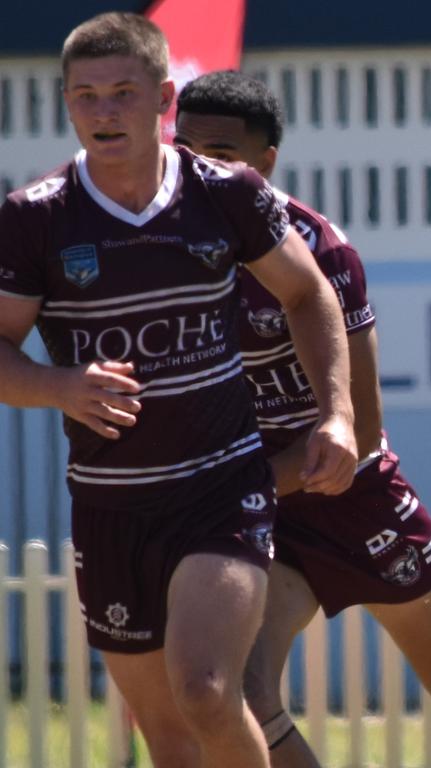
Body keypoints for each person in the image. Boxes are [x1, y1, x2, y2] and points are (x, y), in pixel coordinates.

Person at [173, 69, 431, 768]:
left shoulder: (320, 251)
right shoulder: (162, 250)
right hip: (258, 508)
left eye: (221, 155)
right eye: (184, 152)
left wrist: (234, 482)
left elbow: (358, 434)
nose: (199, 172)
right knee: (236, 691)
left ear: (266, 162)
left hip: (353, 497)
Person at [0, 13, 358, 768]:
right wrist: (58, 385)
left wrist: (338, 414)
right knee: (167, 739)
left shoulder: (224, 192)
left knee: (205, 690)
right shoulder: (34, 219)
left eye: (123, 93)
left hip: (220, 487)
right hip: (110, 504)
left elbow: (309, 293)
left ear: (164, 98)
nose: (103, 113)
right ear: (65, 103)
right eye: (86, 97)